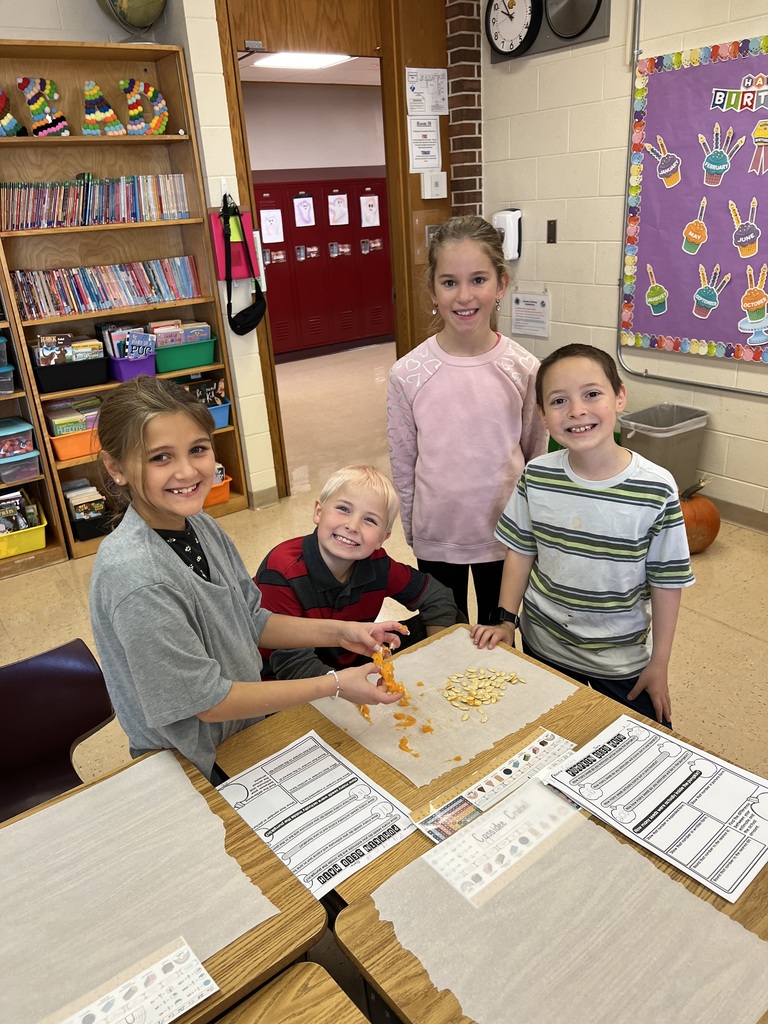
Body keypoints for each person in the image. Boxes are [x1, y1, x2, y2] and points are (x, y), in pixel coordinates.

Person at [89, 377, 405, 784]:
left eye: (198, 449)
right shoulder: (138, 578)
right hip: (191, 762)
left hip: (243, 729)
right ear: (116, 468)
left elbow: (252, 618)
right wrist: (334, 684)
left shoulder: (199, 524)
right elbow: (208, 701)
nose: (187, 471)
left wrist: (341, 633)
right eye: (160, 458)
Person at [471, 343, 694, 727]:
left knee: (638, 748)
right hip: (545, 646)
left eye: (592, 394)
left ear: (620, 397)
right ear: (542, 415)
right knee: (554, 741)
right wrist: (506, 620)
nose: (576, 411)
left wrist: (660, 664)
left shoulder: (656, 488)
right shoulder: (537, 476)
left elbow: (666, 583)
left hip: (623, 659)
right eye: (558, 401)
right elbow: (521, 551)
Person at [387, 215, 547, 625]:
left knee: (501, 641)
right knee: (445, 642)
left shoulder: (525, 368)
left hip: (505, 536)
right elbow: (404, 465)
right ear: (432, 291)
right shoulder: (408, 373)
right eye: (449, 282)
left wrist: (529, 530)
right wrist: (415, 531)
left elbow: (534, 453)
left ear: (501, 285)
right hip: (438, 537)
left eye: (478, 280)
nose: (464, 296)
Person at [256, 465, 460, 679]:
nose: (352, 526)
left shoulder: (378, 563)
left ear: (383, 538)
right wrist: (346, 686)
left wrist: (437, 656)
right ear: (318, 511)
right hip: (282, 678)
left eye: (370, 520)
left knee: (452, 617)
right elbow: (292, 666)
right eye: (344, 509)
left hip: (351, 662)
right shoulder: (281, 570)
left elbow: (437, 597)